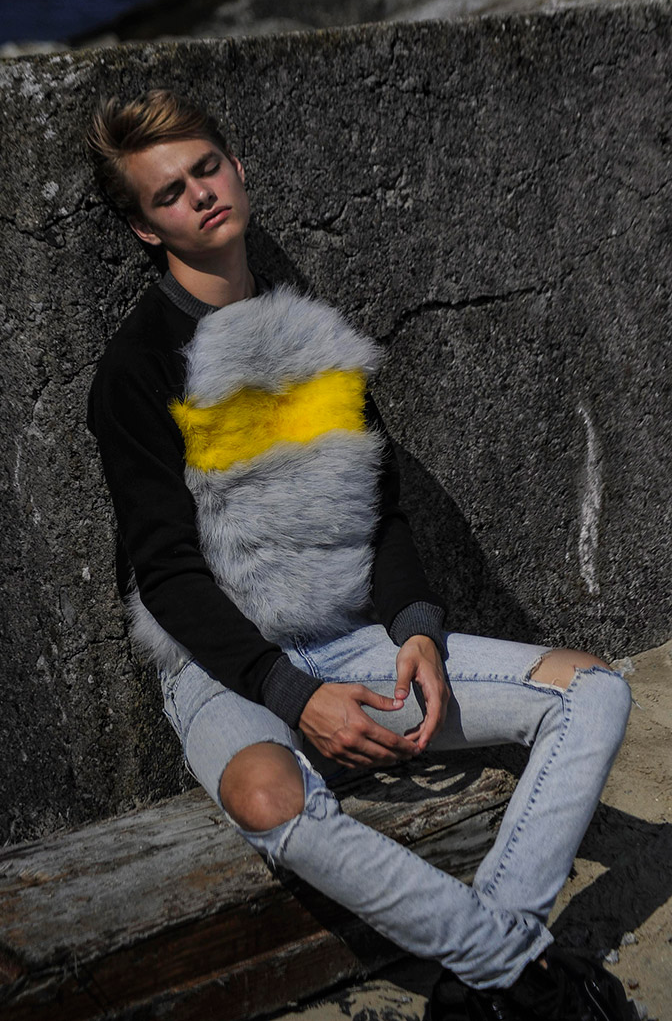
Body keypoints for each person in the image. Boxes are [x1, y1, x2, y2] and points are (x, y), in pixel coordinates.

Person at [86, 89, 636, 1021]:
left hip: (351, 640)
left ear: (237, 169)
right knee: (267, 800)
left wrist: (416, 629)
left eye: (207, 168)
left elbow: (378, 513)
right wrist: (290, 694)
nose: (200, 195)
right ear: (147, 229)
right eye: (169, 192)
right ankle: (519, 969)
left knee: (596, 693)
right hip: (222, 664)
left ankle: (480, 981)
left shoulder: (314, 338)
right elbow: (167, 573)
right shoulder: (135, 368)